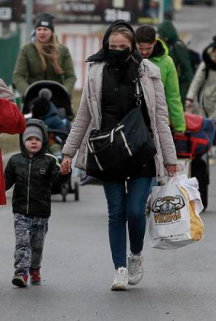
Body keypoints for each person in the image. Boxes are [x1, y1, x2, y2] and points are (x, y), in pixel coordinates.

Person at [61, 20, 179, 291]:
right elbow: (83, 117)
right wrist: (68, 153)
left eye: (122, 47)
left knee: (136, 211)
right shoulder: (96, 72)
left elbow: (160, 119)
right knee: (116, 212)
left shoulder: (148, 72)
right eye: (112, 46)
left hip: (141, 151)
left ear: (132, 46)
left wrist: (170, 159)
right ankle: (120, 269)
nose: (116, 51)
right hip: (108, 152)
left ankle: (135, 255)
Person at [5, 119, 71, 288]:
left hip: (41, 212)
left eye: (37, 139)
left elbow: (58, 181)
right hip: (20, 211)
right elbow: (5, 183)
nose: (33, 142)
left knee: (36, 245)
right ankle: (21, 272)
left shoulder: (50, 160)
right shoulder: (15, 161)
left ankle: (35, 268)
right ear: (23, 141)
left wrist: (64, 173)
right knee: (22, 243)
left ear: (43, 141)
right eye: (29, 139)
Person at [135, 25, 186, 133]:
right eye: (141, 48)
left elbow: (173, 95)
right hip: (134, 120)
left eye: (148, 48)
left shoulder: (167, 62)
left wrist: (179, 126)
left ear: (154, 42)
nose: (144, 52)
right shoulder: (129, 59)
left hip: (158, 120)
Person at [13, 13, 77, 95]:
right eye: (39, 29)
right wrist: (28, 91)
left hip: (57, 96)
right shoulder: (27, 49)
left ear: (52, 32)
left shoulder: (63, 50)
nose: (42, 32)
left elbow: (71, 76)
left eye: (45, 29)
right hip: (33, 96)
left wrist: (64, 92)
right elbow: (18, 76)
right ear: (35, 31)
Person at [157, 21, 194, 106]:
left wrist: (192, 86)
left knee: (178, 105)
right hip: (172, 82)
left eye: (160, 34)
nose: (159, 36)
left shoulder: (178, 46)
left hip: (181, 83)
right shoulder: (167, 45)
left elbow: (187, 66)